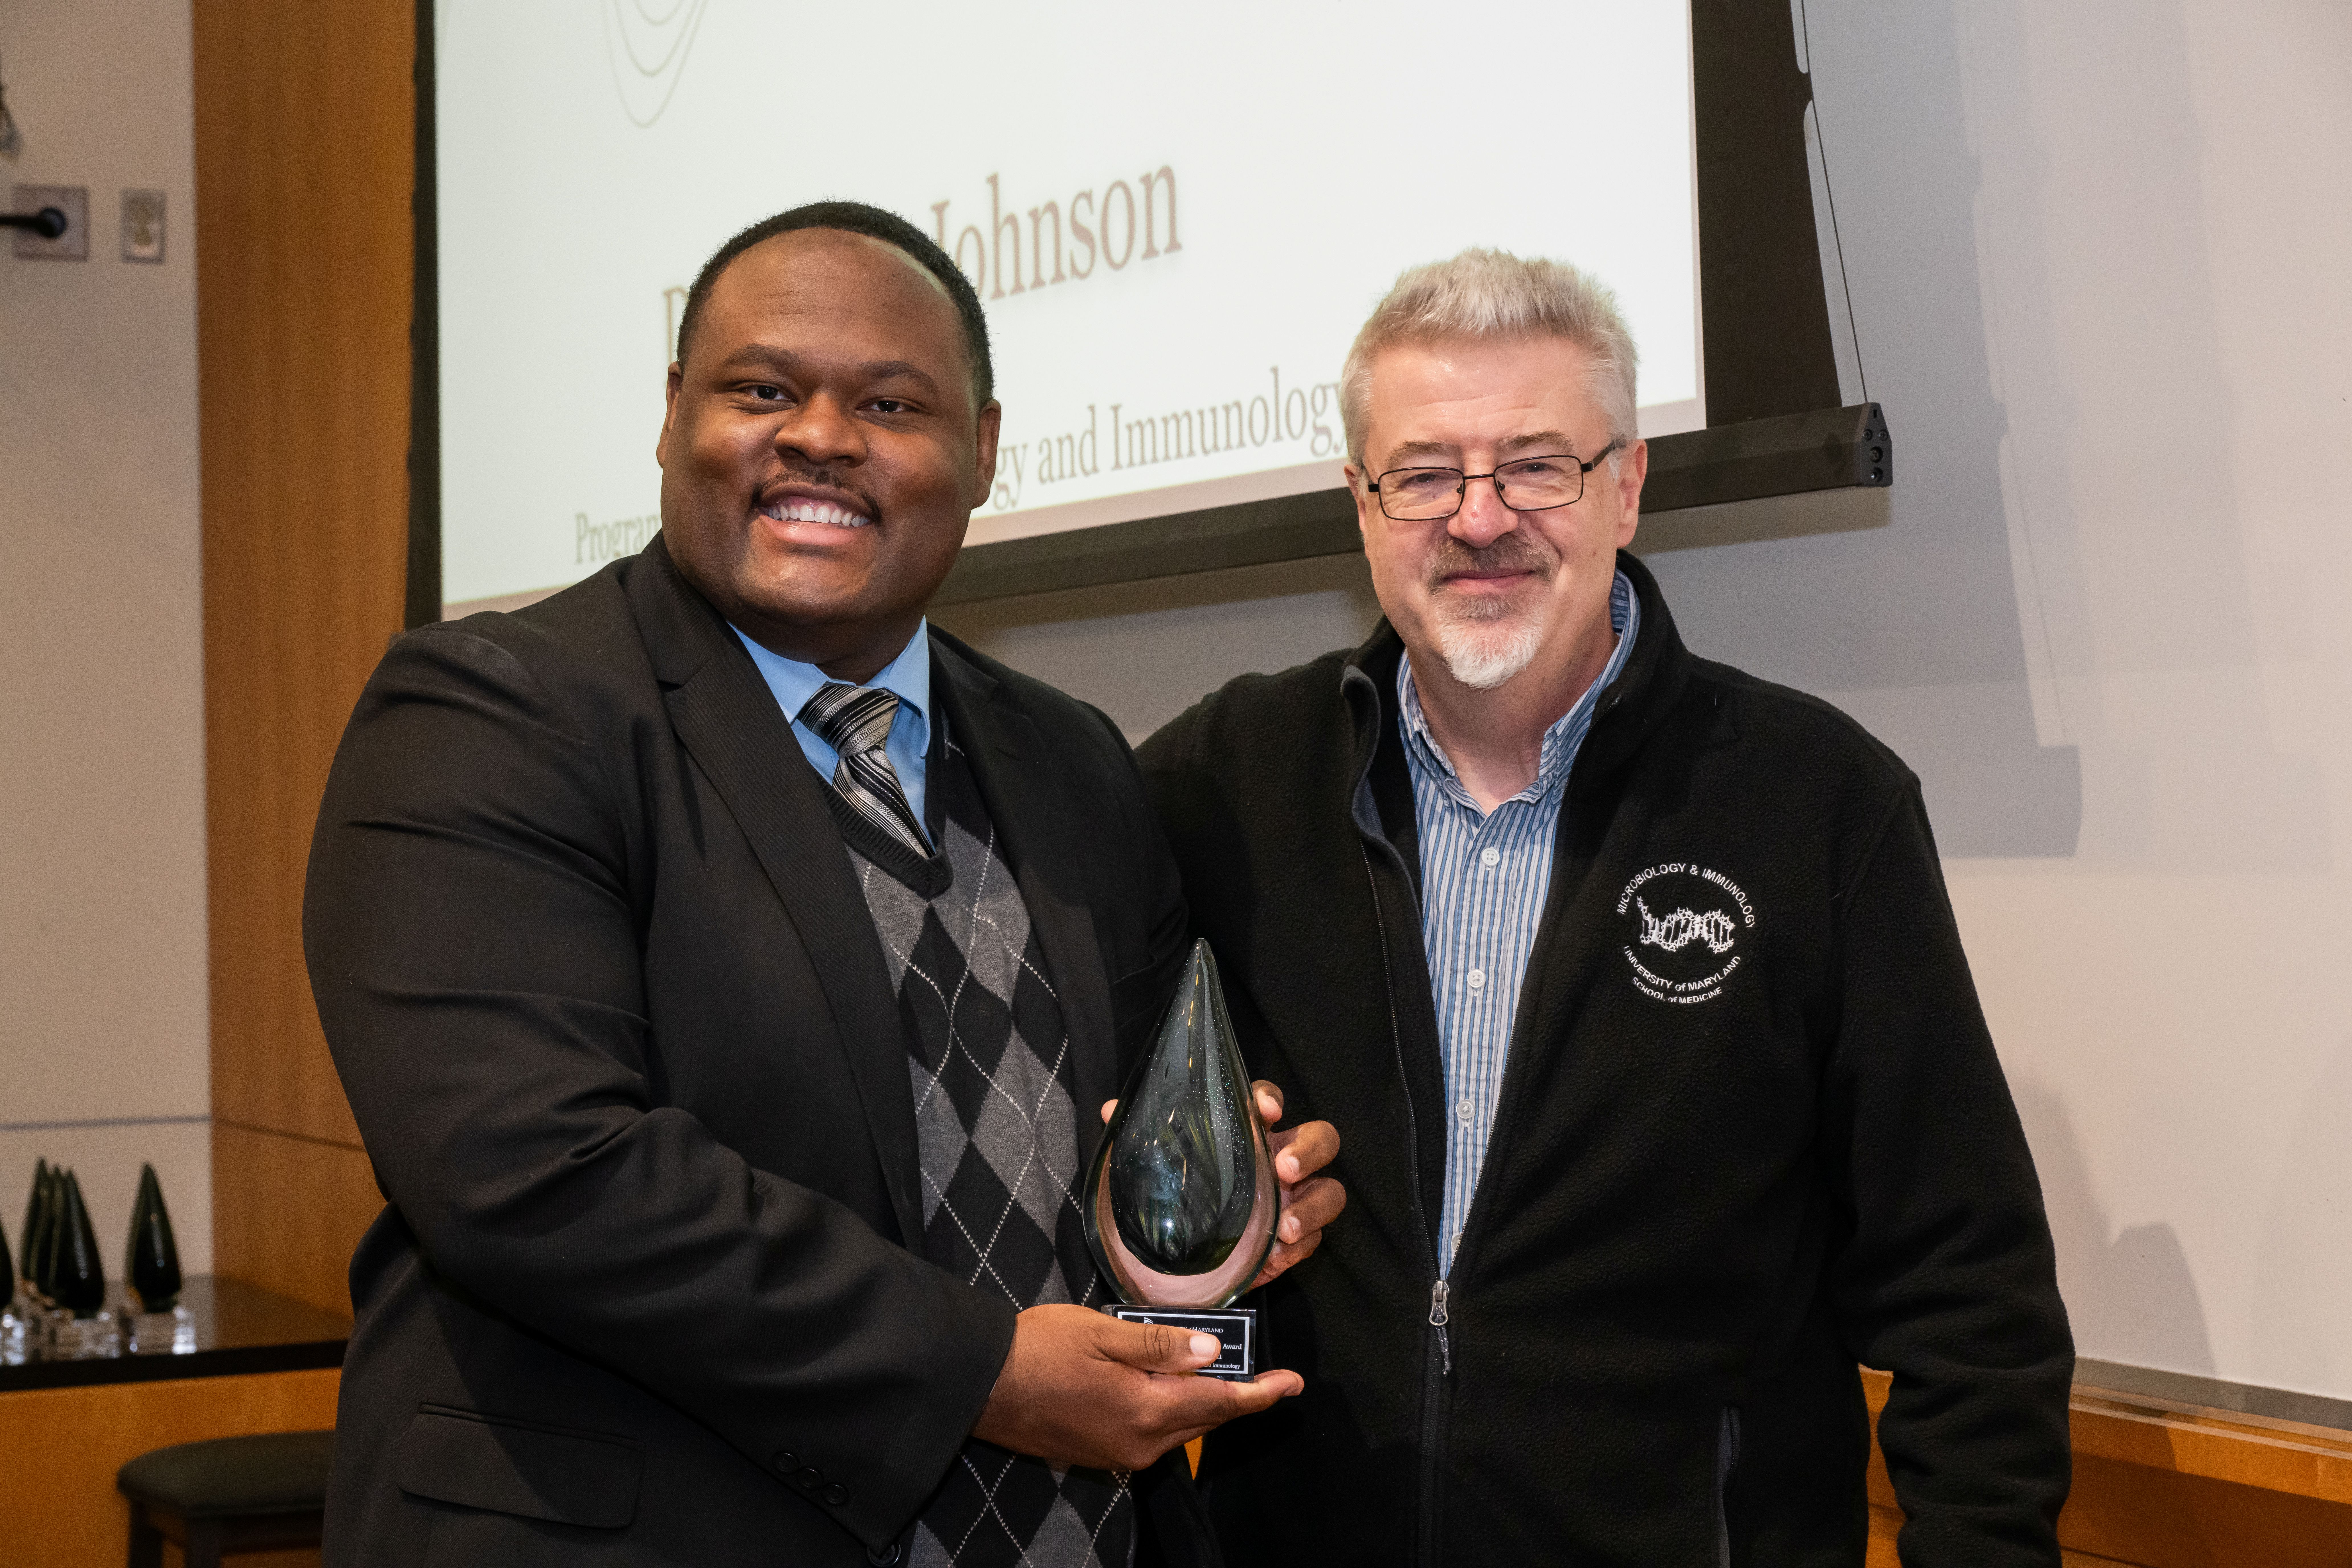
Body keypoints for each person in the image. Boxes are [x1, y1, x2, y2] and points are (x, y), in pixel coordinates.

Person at [303, 202, 1342, 1568]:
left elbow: (1117, 1122)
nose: (821, 437)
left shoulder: (1073, 756)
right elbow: (538, 1172)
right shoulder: (494, 715)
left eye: (893, 402)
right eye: (761, 389)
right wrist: (983, 1369)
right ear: (675, 416)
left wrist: (1223, 1204)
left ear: (980, 453)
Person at [1137, 249, 2073, 1565]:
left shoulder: (1819, 807)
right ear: (1362, 505)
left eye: (1537, 463)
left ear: (1627, 486)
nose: (1479, 518)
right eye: (1423, 473)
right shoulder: (1214, 782)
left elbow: (1969, 1295)